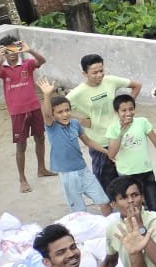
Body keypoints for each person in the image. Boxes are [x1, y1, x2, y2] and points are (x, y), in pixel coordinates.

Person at [66, 54, 141, 189]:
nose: (100, 75)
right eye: (95, 72)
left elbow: (136, 85)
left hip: (120, 137)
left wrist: (126, 109)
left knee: (130, 178)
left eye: (101, 71)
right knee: (108, 183)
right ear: (84, 73)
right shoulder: (77, 93)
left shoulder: (110, 81)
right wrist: (81, 120)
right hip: (100, 143)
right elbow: (57, 111)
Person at [36, 78, 111, 213]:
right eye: (59, 112)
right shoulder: (52, 127)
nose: (65, 114)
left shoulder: (75, 124)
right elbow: (46, 113)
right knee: (79, 211)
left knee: (104, 202)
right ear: (53, 115)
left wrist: (107, 152)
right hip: (68, 175)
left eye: (67, 110)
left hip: (83, 170)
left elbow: (88, 141)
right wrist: (47, 94)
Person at [0, 35, 54, 193]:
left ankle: (41, 169)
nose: (12, 53)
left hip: (34, 108)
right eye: (8, 50)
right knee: (21, 145)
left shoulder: (27, 64)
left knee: (40, 137)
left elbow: (42, 61)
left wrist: (30, 50)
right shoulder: (3, 69)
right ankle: (22, 179)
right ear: (3, 51)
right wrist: (0, 58)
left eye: (14, 48)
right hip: (17, 112)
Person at [93, 176, 156, 267]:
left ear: (142, 197)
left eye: (135, 195)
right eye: (124, 197)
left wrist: (140, 226)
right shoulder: (114, 228)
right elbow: (110, 262)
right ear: (114, 204)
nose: (131, 201)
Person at [105, 93, 156, 212]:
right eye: (123, 110)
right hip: (127, 175)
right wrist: (121, 132)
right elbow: (111, 154)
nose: (128, 113)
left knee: (155, 206)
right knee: (133, 208)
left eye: (131, 109)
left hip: (146, 171)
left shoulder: (142, 122)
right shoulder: (113, 128)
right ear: (117, 112)